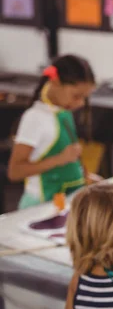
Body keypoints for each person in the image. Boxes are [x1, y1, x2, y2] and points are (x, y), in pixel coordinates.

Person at [8, 55, 97, 209]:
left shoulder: (63, 113)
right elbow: (15, 172)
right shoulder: (35, 118)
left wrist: (85, 177)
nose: (81, 103)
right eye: (76, 96)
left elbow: (69, 163)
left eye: (85, 98)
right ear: (55, 82)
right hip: (40, 206)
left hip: (64, 203)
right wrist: (59, 159)